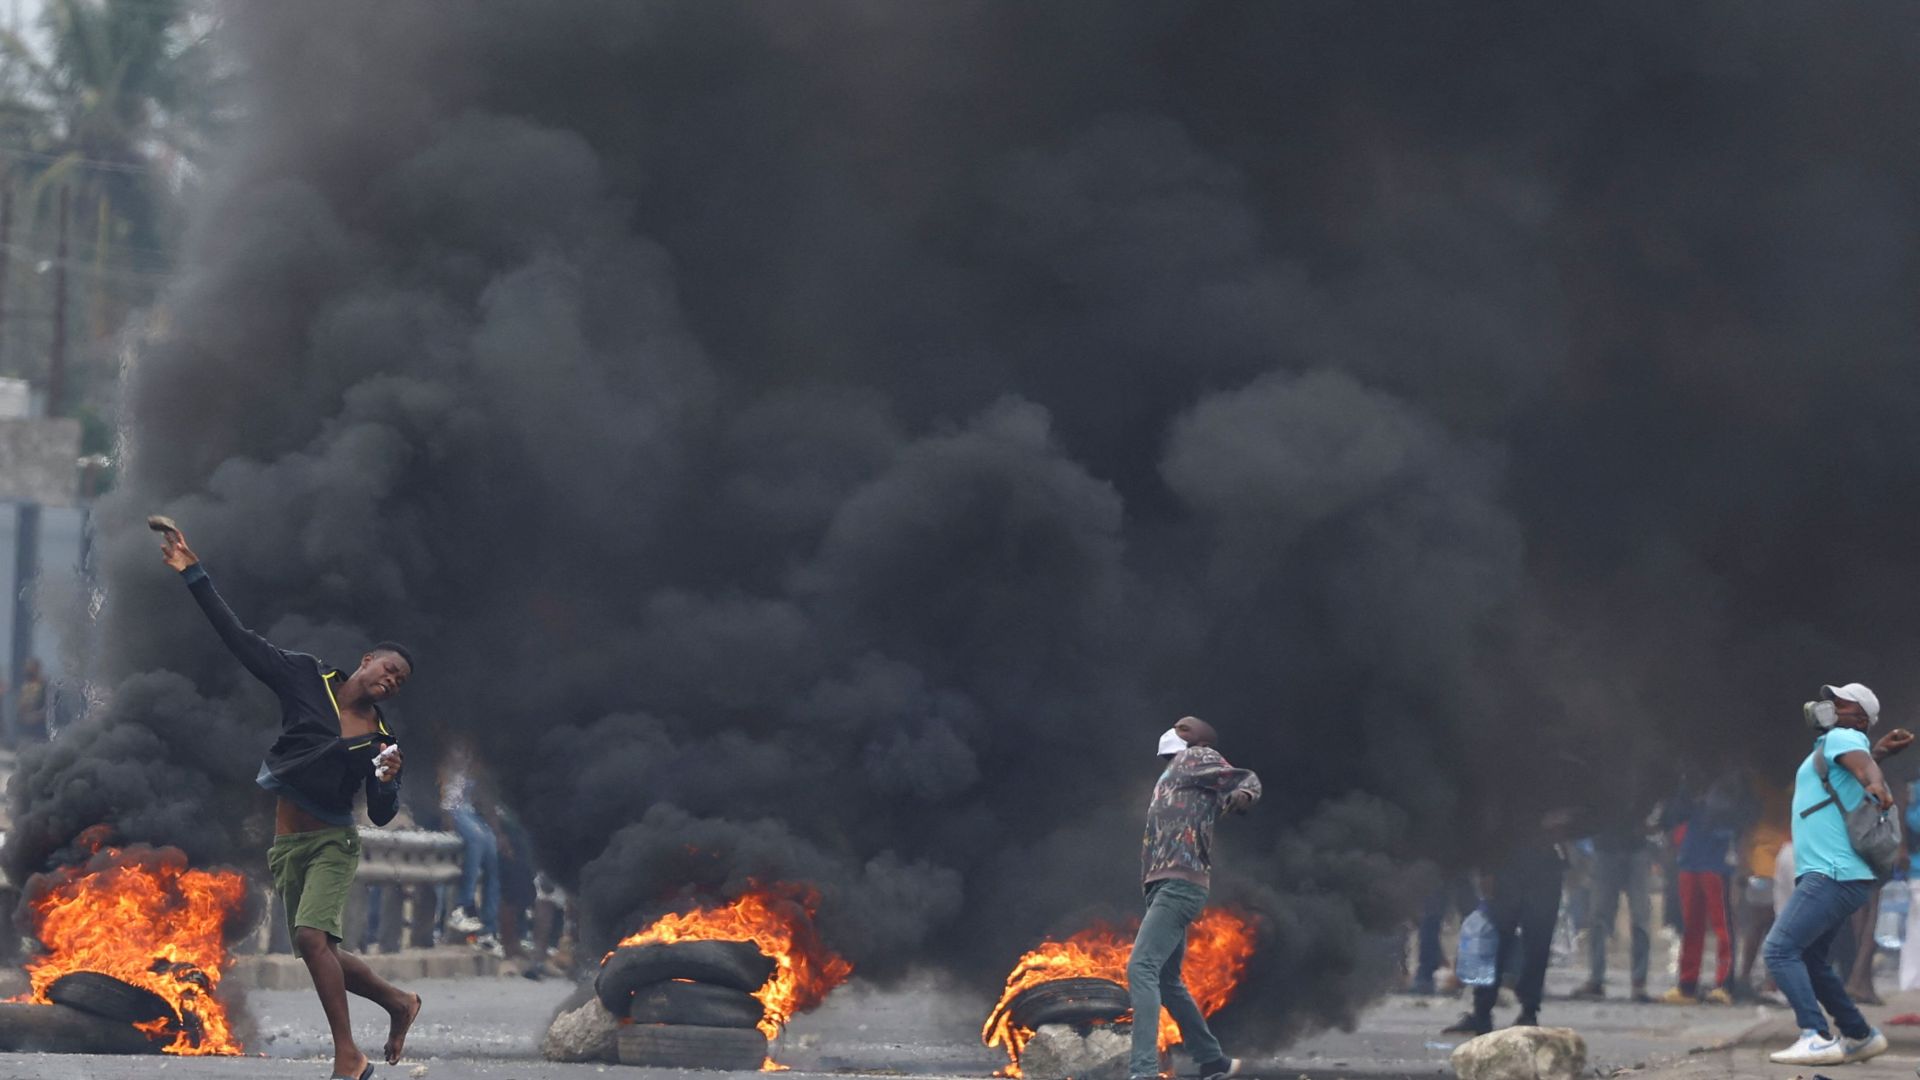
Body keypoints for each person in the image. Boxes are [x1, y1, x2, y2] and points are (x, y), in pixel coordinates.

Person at [161, 525, 422, 1080]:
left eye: (400, 682)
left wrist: (389, 779)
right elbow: (240, 640)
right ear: (368, 659)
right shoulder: (306, 676)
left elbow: (377, 813)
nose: (391, 682)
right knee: (317, 948)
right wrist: (194, 573)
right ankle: (398, 1002)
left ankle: (348, 1055)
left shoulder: (382, 742)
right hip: (288, 844)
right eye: (389, 670)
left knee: (308, 938)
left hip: (332, 841)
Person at [1763, 682, 1910, 1067]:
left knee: (1779, 950)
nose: (1827, 706)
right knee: (1810, 957)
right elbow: (1856, 764)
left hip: (1830, 873)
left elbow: (1860, 766)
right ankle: (1859, 1035)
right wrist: (1877, 758)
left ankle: (1815, 1035)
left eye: (1839, 703)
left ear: (1859, 717)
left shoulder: (1842, 737)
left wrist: (1875, 780)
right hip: (1843, 875)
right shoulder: (1838, 745)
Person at [1128, 716, 1260, 1080]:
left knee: (1141, 968)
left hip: (1178, 885)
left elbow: (1247, 779)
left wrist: (1243, 795)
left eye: (1183, 728)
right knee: (1168, 980)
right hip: (1163, 887)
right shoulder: (1173, 777)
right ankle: (1212, 1060)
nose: (1174, 729)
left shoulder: (1196, 758)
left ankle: (1142, 1071)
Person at [1443, 812, 1569, 1035]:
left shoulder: (1560, 784)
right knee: (1494, 941)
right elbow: (1491, 819)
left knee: (1537, 940)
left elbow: (1589, 813)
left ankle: (1528, 1011)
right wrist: (1487, 869)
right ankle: (1482, 1011)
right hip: (1507, 863)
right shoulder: (1509, 784)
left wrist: (1566, 824)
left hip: (1544, 865)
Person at [1661, 776, 1743, 1004]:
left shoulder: (1730, 779)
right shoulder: (1688, 778)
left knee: (1722, 924)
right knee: (1689, 924)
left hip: (1716, 860)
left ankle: (1724, 983)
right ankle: (1687, 984)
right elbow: (1672, 815)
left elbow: (1741, 814)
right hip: (1690, 858)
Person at [1572, 814, 1654, 1003]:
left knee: (1632, 917)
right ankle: (1602, 980)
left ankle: (1621, 981)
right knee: (1605, 918)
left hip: (1625, 846)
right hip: (1611, 846)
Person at [439, 743, 502, 954]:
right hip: (453, 809)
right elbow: (443, 795)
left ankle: (489, 929)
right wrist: (447, 819)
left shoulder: (475, 762)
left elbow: (483, 798)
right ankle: (463, 906)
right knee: (475, 840)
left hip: (470, 811)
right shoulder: (444, 757)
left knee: (492, 853)